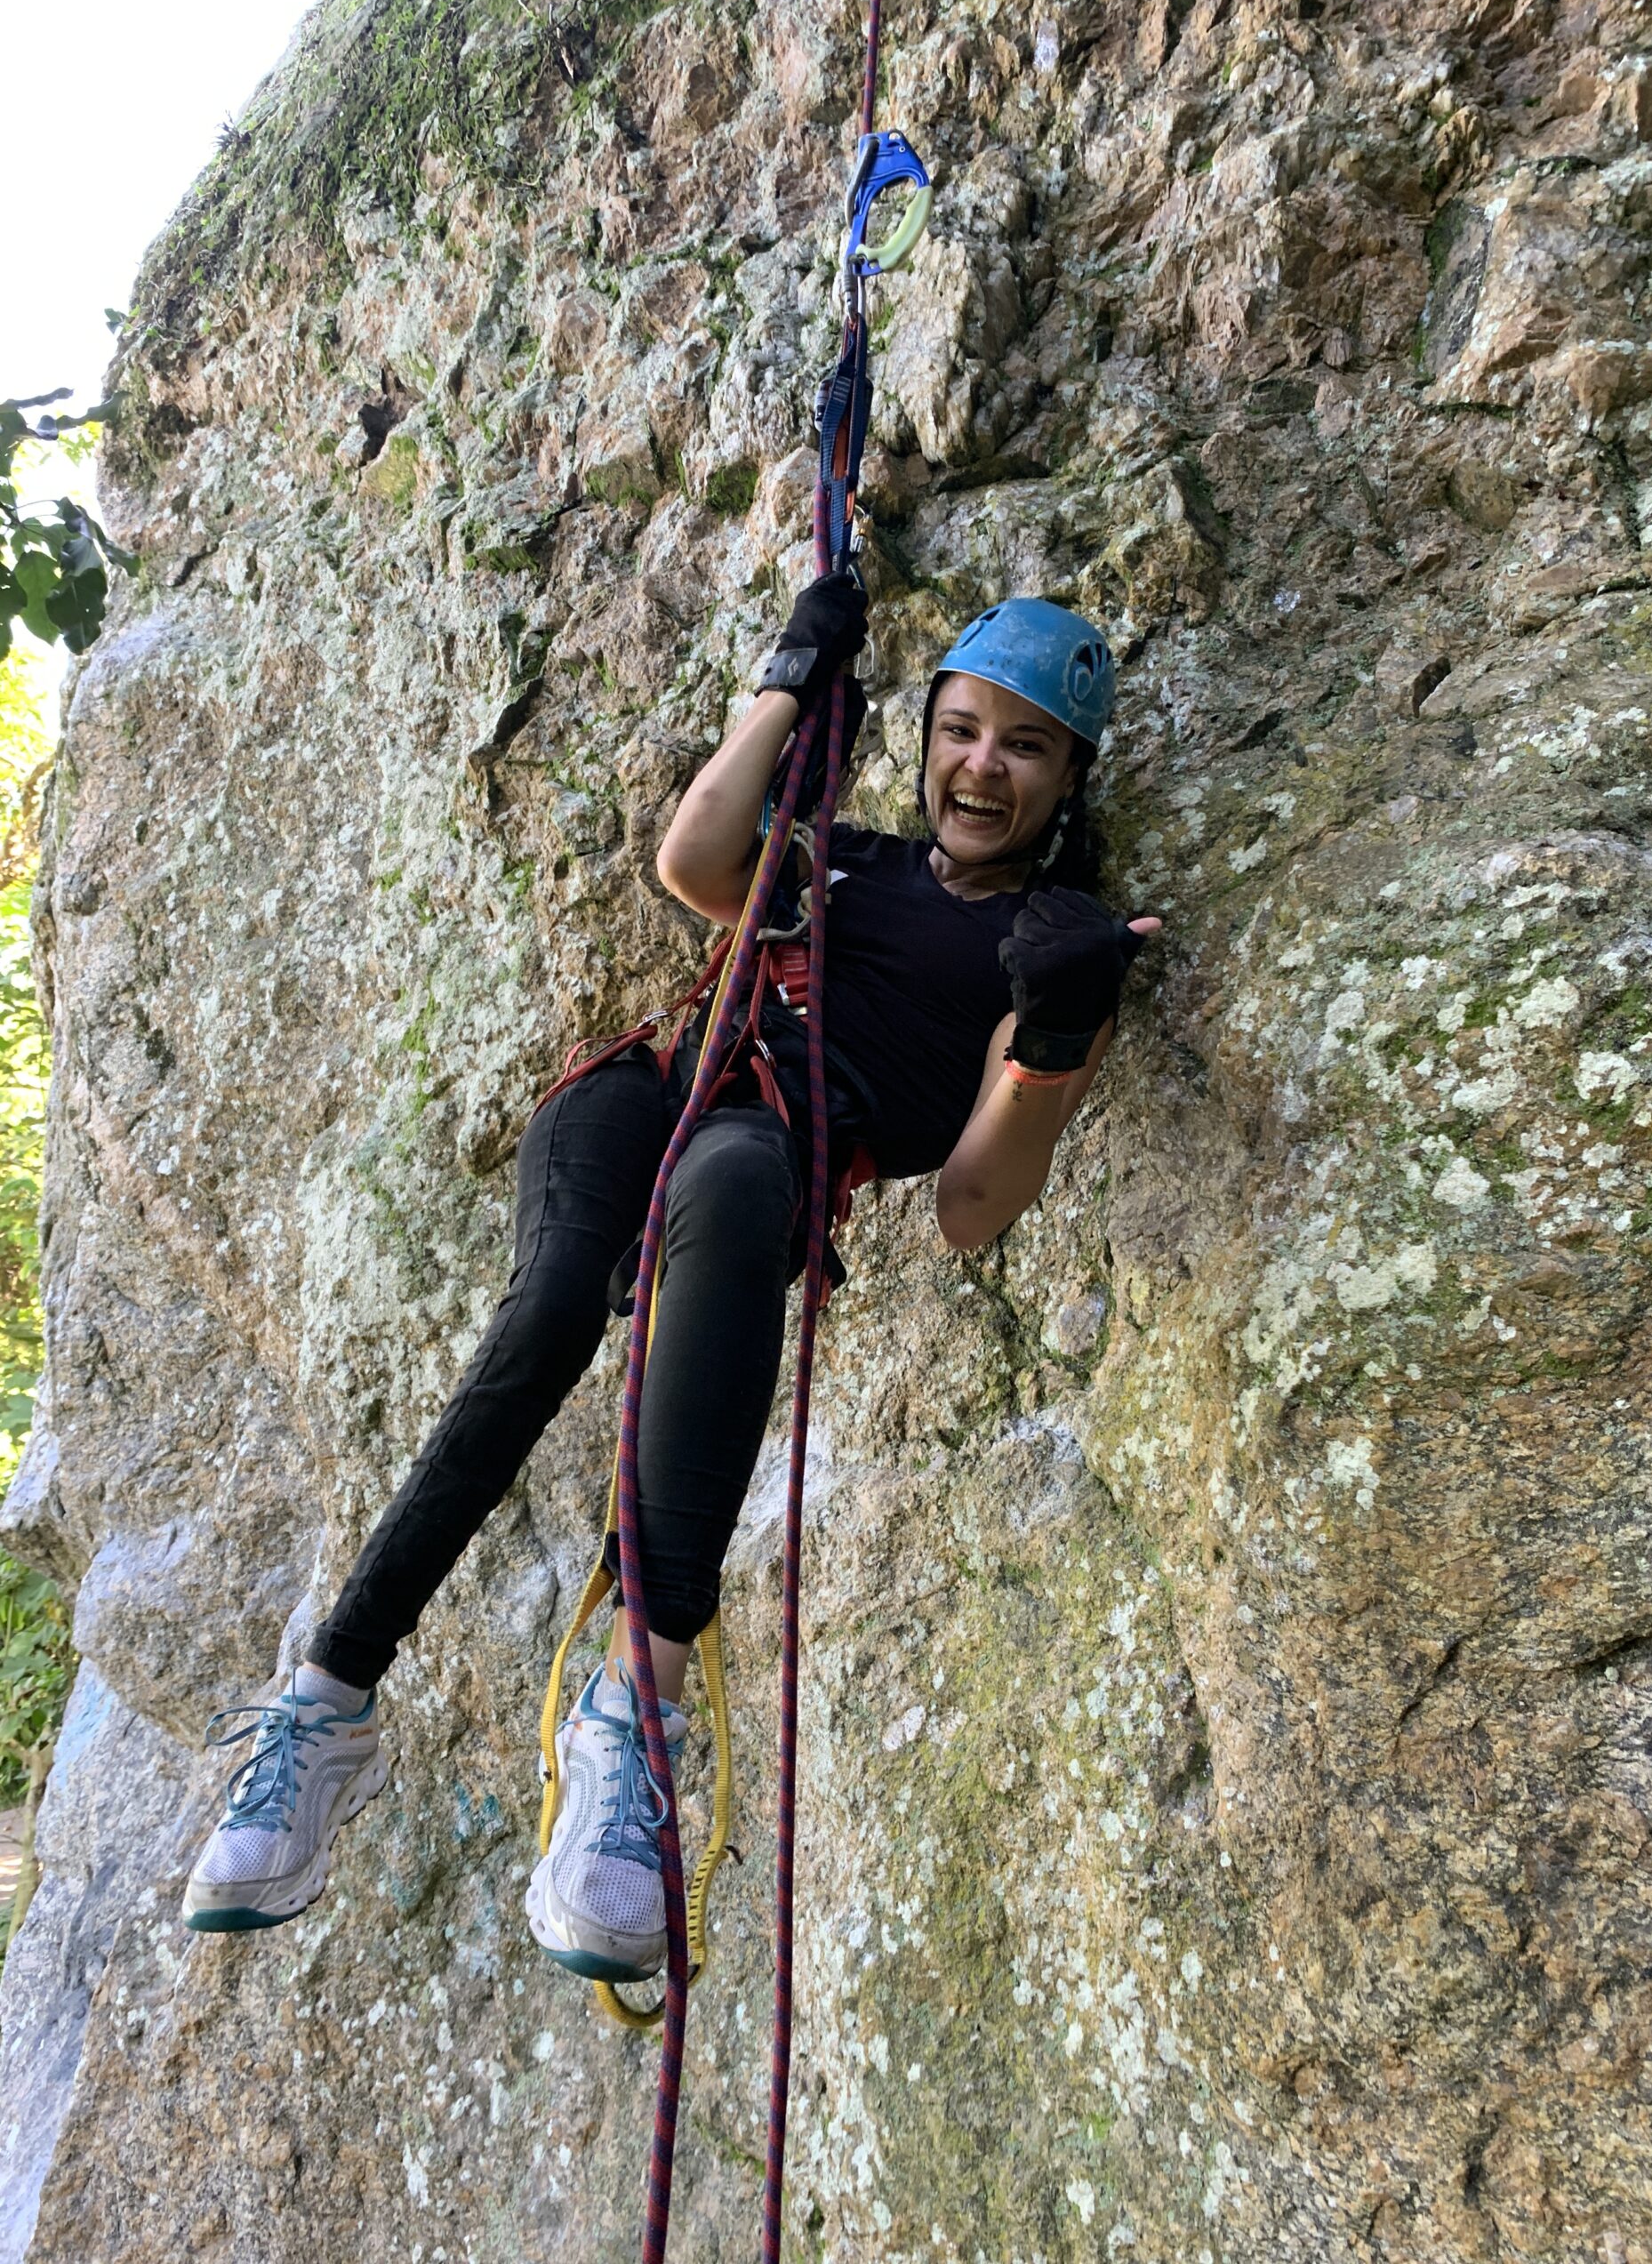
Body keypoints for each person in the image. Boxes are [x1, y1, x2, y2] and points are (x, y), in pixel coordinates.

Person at [180, 582, 1161, 1978]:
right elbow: (696, 863)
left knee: (744, 1175)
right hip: (652, 1092)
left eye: (1023, 746)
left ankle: (631, 1729)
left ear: (1071, 775)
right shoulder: (846, 860)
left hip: (768, 1152)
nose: (980, 769)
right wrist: (786, 684)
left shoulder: (1059, 950)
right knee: (544, 1320)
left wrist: (1053, 1035)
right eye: (959, 731)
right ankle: (326, 1700)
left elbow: (969, 1208)